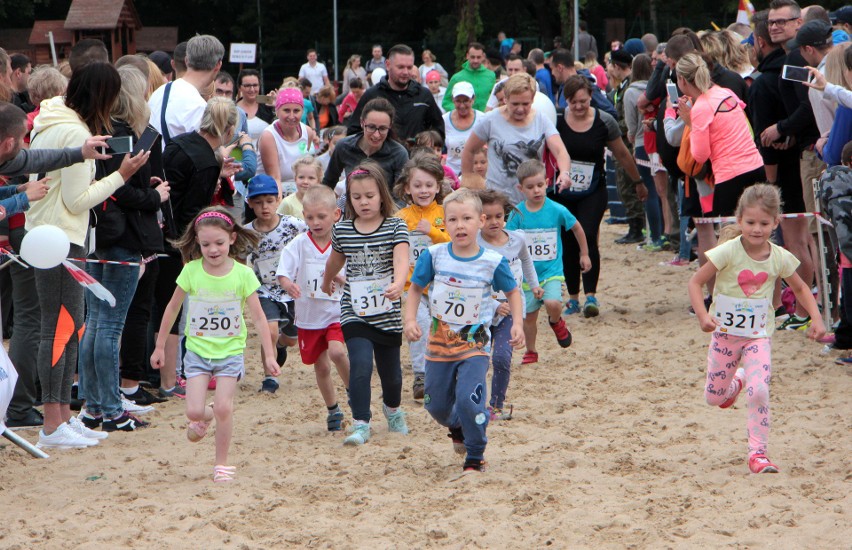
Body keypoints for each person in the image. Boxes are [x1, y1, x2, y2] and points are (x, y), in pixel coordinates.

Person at [29, 62, 150, 448]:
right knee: (60, 328)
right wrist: (121, 175)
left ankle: (62, 415)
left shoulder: (51, 118)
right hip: (61, 238)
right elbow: (77, 199)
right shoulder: (74, 130)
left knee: (68, 325)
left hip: (50, 235)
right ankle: (53, 422)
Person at [688, 184, 825, 474]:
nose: (757, 229)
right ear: (739, 221)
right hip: (725, 334)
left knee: (760, 390)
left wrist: (817, 319)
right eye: (750, 223)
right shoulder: (726, 252)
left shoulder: (779, 257)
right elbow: (695, 282)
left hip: (758, 335)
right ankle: (737, 381)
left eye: (764, 223)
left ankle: (758, 454)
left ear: (776, 222)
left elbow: (801, 288)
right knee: (715, 397)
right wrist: (702, 315)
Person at [152, 207, 279, 481]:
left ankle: (221, 464)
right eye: (206, 243)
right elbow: (172, 308)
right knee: (194, 410)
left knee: (224, 407)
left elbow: (258, 316)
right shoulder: (191, 270)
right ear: (197, 241)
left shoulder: (243, 274)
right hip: (197, 351)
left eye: (219, 243)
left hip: (230, 351)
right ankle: (204, 418)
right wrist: (160, 346)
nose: (213, 249)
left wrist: (269, 356)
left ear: (232, 239)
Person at [77, 66, 171, 433]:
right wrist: (155, 195)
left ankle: (94, 406)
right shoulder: (127, 137)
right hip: (123, 238)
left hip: (98, 235)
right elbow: (121, 190)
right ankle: (111, 409)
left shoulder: (99, 132)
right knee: (108, 326)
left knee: (97, 324)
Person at [405, 188, 524, 472]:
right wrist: (410, 320)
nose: (460, 225)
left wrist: (517, 323)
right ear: (444, 224)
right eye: (454, 219)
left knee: (470, 401)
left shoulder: (492, 262)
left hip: (475, 346)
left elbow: (513, 291)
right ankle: (457, 426)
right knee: (435, 406)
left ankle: (475, 453)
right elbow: (416, 289)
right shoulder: (434, 256)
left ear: (480, 221)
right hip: (438, 346)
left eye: (467, 218)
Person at [156, 97, 244, 399]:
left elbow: (179, 187)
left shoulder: (181, 143)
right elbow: (195, 214)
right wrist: (192, 254)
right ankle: (170, 379)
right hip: (178, 241)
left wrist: (217, 174)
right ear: (229, 128)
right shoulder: (206, 161)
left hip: (158, 230)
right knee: (174, 310)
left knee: (159, 307)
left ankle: (159, 374)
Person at [320, 162, 410, 446]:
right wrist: (327, 280)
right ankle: (361, 422)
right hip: (354, 311)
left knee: (392, 375)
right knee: (359, 365)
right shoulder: (343, 230)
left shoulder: (395, 225)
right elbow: (335, 260)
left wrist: (398, 281)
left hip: (387, 310)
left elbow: (402, 258)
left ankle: (393, 409)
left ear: (382, 195)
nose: (363, 202)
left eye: (369, 196)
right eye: (356, 197)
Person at [554, 76, 642, 317]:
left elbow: (622, 154)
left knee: (589, 235)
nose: (579, 106)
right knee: (568, 241)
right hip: (562, 191)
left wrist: (638, 182)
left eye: (583, 101)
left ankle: (591, 296)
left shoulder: (605, 121)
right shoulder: (557, 120)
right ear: (566, 101)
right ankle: (573, 297)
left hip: (593, 189)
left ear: (591, 96)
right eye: (573, 102)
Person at [277, 185, 351, 430]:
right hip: (309, 315)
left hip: (336, 311)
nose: (316, 222)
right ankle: (333, 409)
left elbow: (356, 275)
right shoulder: (299, 243)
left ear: (335, 215)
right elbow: (283, 273)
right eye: (309, 217)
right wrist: (289, 285)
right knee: (320, 366)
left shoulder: (343, 241)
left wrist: (341, 277)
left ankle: (354, 394)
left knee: (338, 352)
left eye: (321, 216)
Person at [506, 160, 590, 365]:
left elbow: (577, 228)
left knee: (553, 303)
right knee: (529, 317)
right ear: (520, 189)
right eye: (530, 187)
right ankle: (531, 351)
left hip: (551, 271)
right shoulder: (517, 214)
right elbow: (506, 238)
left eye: (540, 185)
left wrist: (585, 253)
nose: (536, 190)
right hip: (527, 275)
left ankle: (556, 321)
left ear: (547, 182)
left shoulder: (556, 209)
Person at [460, 74, 571, 205]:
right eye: (515, 104)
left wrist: (564, 173)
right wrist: (468, 180)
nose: (520, 109)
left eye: (525, 104)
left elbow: (560, 151)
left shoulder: (541, 119)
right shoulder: (490, 120)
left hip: (531, 201)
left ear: (533, 99)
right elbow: (469, 150)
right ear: (505, 99)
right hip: (497, 201)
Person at [477, 189, 539, 421]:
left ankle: (496, 405)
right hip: (481, 310)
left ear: (506, 215)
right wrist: (492, 303)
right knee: (478, 360)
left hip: (511, 308)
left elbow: (526, 261)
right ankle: (476, 403)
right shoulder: (473, 244)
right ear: (478, 218)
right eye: (487, 217)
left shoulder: (517, 239)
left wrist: (534, 286)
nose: (493, 222)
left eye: (498, 216)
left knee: (502, 357)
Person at [676, 53, 764, 216]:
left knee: (729, 236)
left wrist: (691, 123)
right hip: (756, 167)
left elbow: (700, 155)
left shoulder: (701, 107)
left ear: (682, 80)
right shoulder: (725, 93)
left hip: (731, 175)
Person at [243, 175, 307, 393]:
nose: (264, 207)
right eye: (258, 202)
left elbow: (315, 238)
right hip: (265, 290)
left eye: (269, 201)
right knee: (268, 331)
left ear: (278, 200)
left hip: (294, 290)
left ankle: (280, 345)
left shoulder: (293, 225)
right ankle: (270, 378)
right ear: (249, 202)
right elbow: (240, 263)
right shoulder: (246, 233)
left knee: (290, 340)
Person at [394, 154, 450, 399]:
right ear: (407, 188)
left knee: (443, 329)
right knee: (419, 324)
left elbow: (458, 242)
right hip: (412, 286)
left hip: (443, 285)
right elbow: (393, 250)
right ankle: (420, 374)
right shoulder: (401, 218)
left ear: (438, 186)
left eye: (429, 185)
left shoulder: (447, 212)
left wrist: (435, 233)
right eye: (417, 185)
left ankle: (444, 371)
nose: (424, 190)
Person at [345, 44, 445, 144]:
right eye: (400, 67)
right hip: (382, 158)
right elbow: (353, 133)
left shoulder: (423, 95)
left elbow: (439, 131)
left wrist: (424, 143)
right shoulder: (372, 95)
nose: (406, 72)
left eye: (409, 67)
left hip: (416, 158)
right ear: (388, 65)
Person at [149, 34, 225, 149]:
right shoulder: (199, 106)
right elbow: (200, 156)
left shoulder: (159, 92)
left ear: (186, 60)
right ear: (218, 65)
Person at [323, 98, 409, 193]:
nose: (376, 134)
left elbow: (400, 194)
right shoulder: (344, 146)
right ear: (362, 123)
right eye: (371, 127)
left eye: (383, 128)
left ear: (390, 126)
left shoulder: (399, 153)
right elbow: (328, 183)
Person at [608, 48, 647, 244]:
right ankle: (635, 226)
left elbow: (629, 119)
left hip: (626, 141)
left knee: (629, 186)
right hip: (623, 140)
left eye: (610, 65)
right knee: (625, 186)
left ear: (616, 66)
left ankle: (636, 227)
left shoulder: (629, 87)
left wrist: (612, 127)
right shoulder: (622, 87)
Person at [256, 88, 316, 197]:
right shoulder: (268, 136)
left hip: (299, 193)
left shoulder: (308, 132)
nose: (292, 116)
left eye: (296, 111)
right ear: (277, 111)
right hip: (270, 193)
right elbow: (275, 178)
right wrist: (279, 209)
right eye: (286, 110)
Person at [442, 81, 481, 176]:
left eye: (466, 101)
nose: (462, 106)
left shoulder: (482, 119)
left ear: (473, 99)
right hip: (451, 174)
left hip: (476, 174)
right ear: (452, 100)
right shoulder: (444, 120)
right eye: (458, 101)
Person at [444, 42, 496, 112]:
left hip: (486, 118)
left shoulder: (491, 75)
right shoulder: (457, 78)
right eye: (472, 57)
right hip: (464, 119)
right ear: (467, 56)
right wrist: (461, 110)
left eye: (478, 57)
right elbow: (446, 102)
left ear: (483, 56)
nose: (475, 60)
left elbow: (496, 99)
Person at [236, 69, 275, 144]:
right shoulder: (233, 109)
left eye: (255, 85)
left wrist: (277, 106)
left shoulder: (268, 107)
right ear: (239, 87)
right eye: (247, 86)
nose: (252, 89)